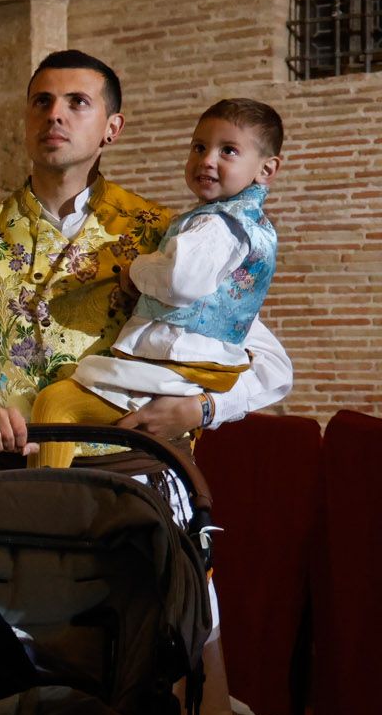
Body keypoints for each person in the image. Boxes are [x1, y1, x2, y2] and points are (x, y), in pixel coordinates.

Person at [0, 50, 292, 471]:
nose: (54, 116)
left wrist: (203, 409)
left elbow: (267, 363)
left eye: (77, 102)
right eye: (41, 102)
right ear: (26, 121)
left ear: (111, 128)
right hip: (19, 484)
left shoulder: (166, 236)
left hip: (137, 473)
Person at [31, 98, 282, 469]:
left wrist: (201, 410)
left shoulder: (213, 225)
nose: (207, 160)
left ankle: (47, 505)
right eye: (199, 147)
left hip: (172, 369)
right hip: (181, 367)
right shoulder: (242, 224)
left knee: (55, 405)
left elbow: (181, 285)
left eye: (228, 150)